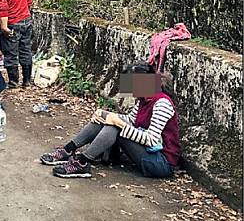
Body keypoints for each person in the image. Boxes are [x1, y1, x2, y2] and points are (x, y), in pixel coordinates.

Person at [40, 62, 182, 179]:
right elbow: (131, 120)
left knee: (114, 125)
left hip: (161, 163)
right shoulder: (144, 99)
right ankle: (68, 150)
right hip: (148, 153)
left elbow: (151, 139)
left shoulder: (162, 103)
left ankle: (83, 163)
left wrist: (117, 122)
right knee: (107, 118)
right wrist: (104, 114)